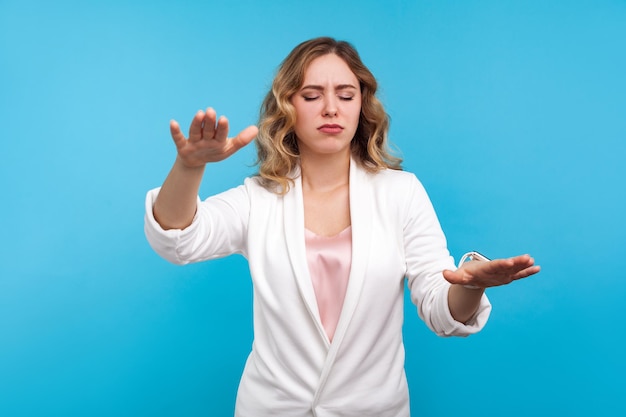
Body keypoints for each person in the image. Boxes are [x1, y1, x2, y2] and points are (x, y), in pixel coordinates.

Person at [144, 37, 540, 417]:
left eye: (346, 95)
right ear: (288, 107)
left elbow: (441, 309)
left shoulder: (401, 193)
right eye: (312, 95)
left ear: (361, 106)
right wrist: (190, 166)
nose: (331, 108)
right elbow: (179, 241)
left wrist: (469, 284)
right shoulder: (257, 198)